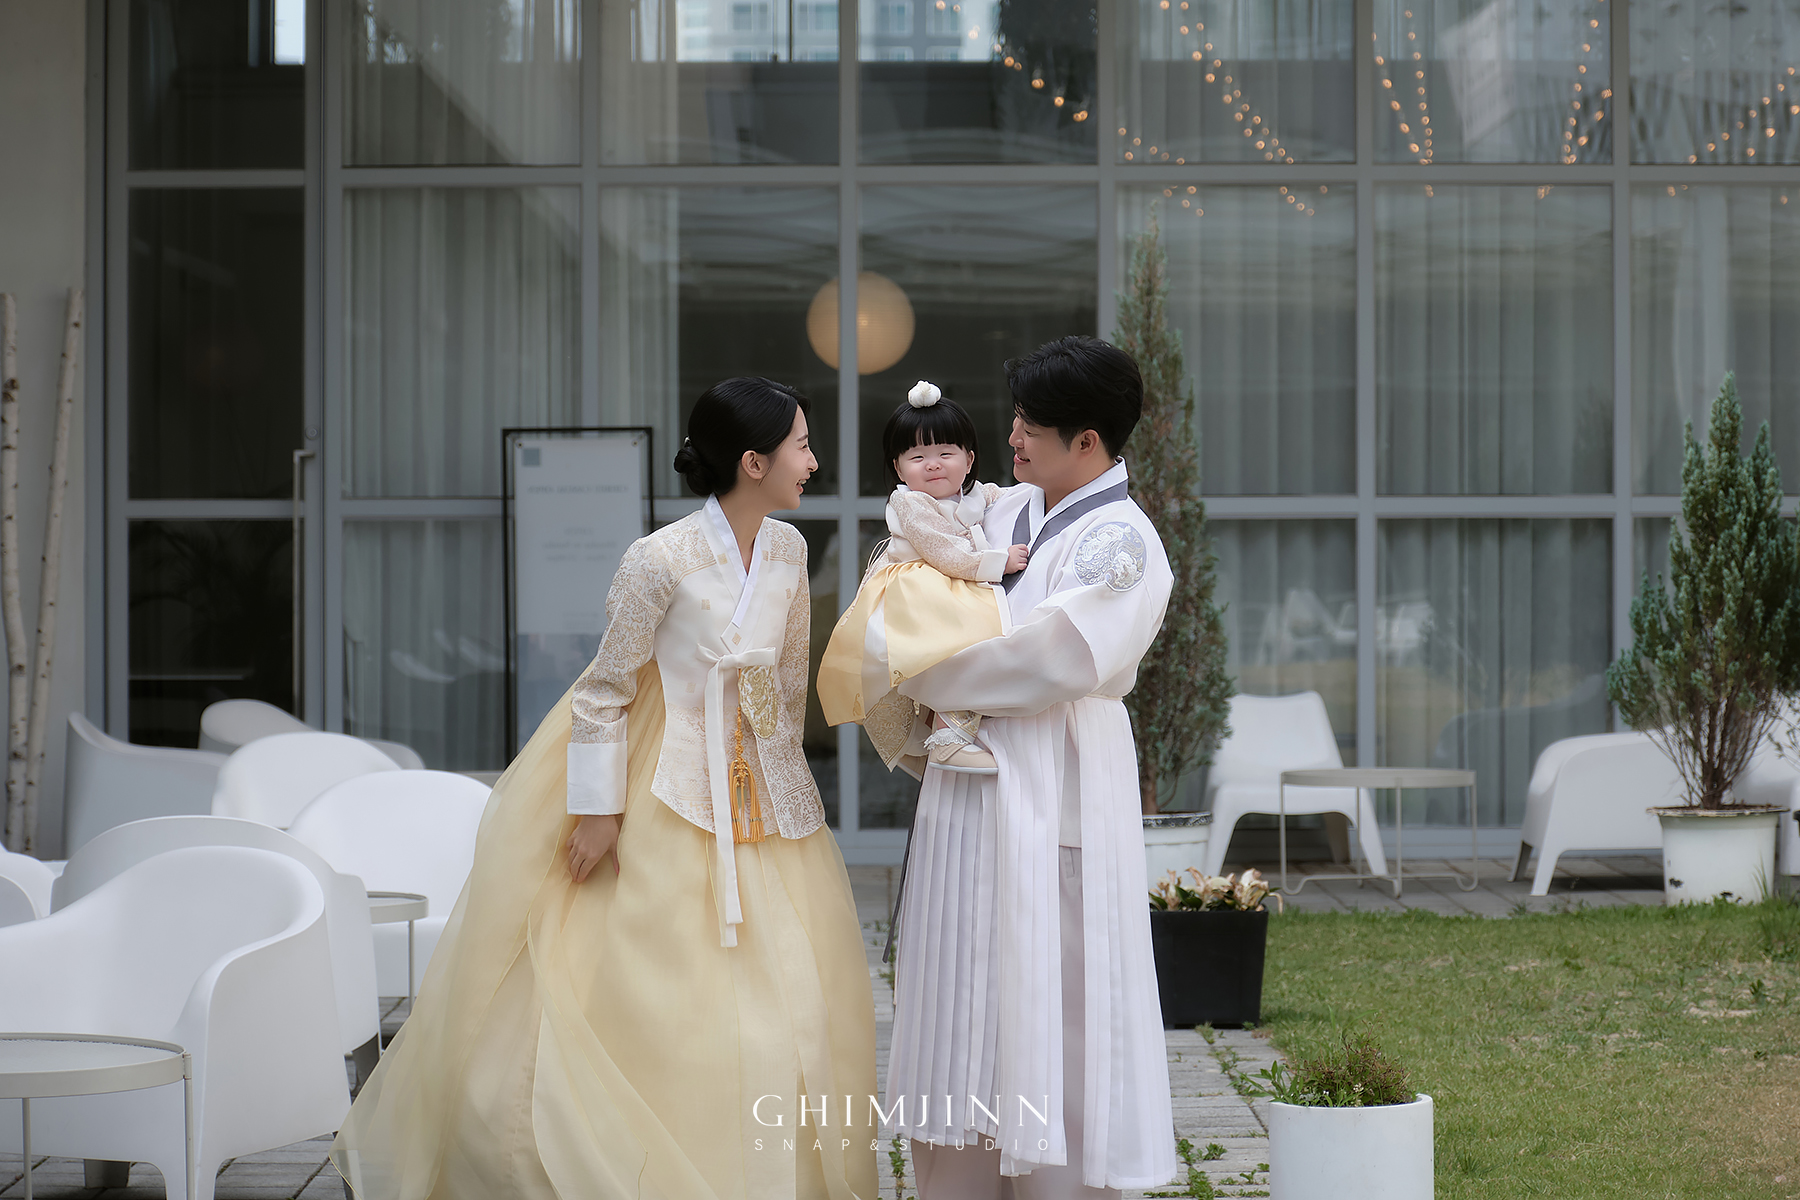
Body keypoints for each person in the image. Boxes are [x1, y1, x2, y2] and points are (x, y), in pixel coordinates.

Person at [332, 377, 880, 1200]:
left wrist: (783, 782)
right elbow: (602, 692)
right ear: (753, 460)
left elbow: (784, 680)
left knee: (779, 995)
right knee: (653, 989)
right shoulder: (658, 558)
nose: (813, 461)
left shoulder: (790, 552)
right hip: (665, 789)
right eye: (801, 445)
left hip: (755, 795)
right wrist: (597, 811)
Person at [883, 337, 1178, 1198]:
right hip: (970, 783)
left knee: (1062, 997)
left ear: (1086, 441)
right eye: (1014, 418)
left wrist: (920, 671)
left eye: (1030, 427)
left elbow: (1049, 661)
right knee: (959, 984)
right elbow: (903, 572)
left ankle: (1060, 1181)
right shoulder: (1004, 510)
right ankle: (959, 1175)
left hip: (1061, 782)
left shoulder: (1122, 542)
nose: (1010, 437)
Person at [817, 380, 1030, 776]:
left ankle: (938, 735)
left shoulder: (975, 495)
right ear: (898, 467)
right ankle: (947, 737)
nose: (933, 464)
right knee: (955, 648)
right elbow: (942, 550)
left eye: (945, 453)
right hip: (919, 588)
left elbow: (1014, 496)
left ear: (969, 459)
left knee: (962, 652)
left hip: (948, 583)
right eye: (917, 456)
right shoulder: (909, 502)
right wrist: (998, 562)